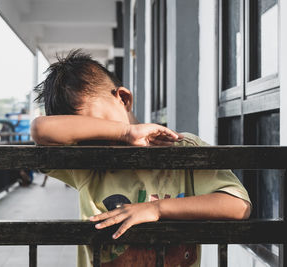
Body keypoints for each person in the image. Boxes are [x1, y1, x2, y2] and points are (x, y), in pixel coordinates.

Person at [31, 50, 251, 267]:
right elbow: (40, 129)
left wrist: (157, 209)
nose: (100, 140)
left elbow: (238, 206)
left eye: (101, 124)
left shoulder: (182, 147)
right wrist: (123, 132)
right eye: (89, 133)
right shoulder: (86, 163)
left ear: (124, 99)